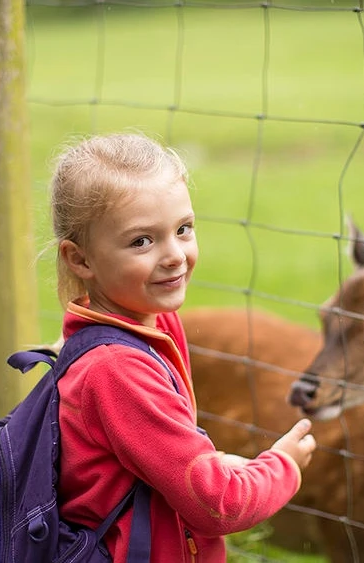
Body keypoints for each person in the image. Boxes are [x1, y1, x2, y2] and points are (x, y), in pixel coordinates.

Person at [48, 131, 316, 562]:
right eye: (142, 241)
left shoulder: (153, 324)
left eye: (183, 229)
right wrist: (282, 466)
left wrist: (214, 460)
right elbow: (219, 504)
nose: (174, 255)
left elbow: (151, 457)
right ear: (80, 260)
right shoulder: (117, 369)